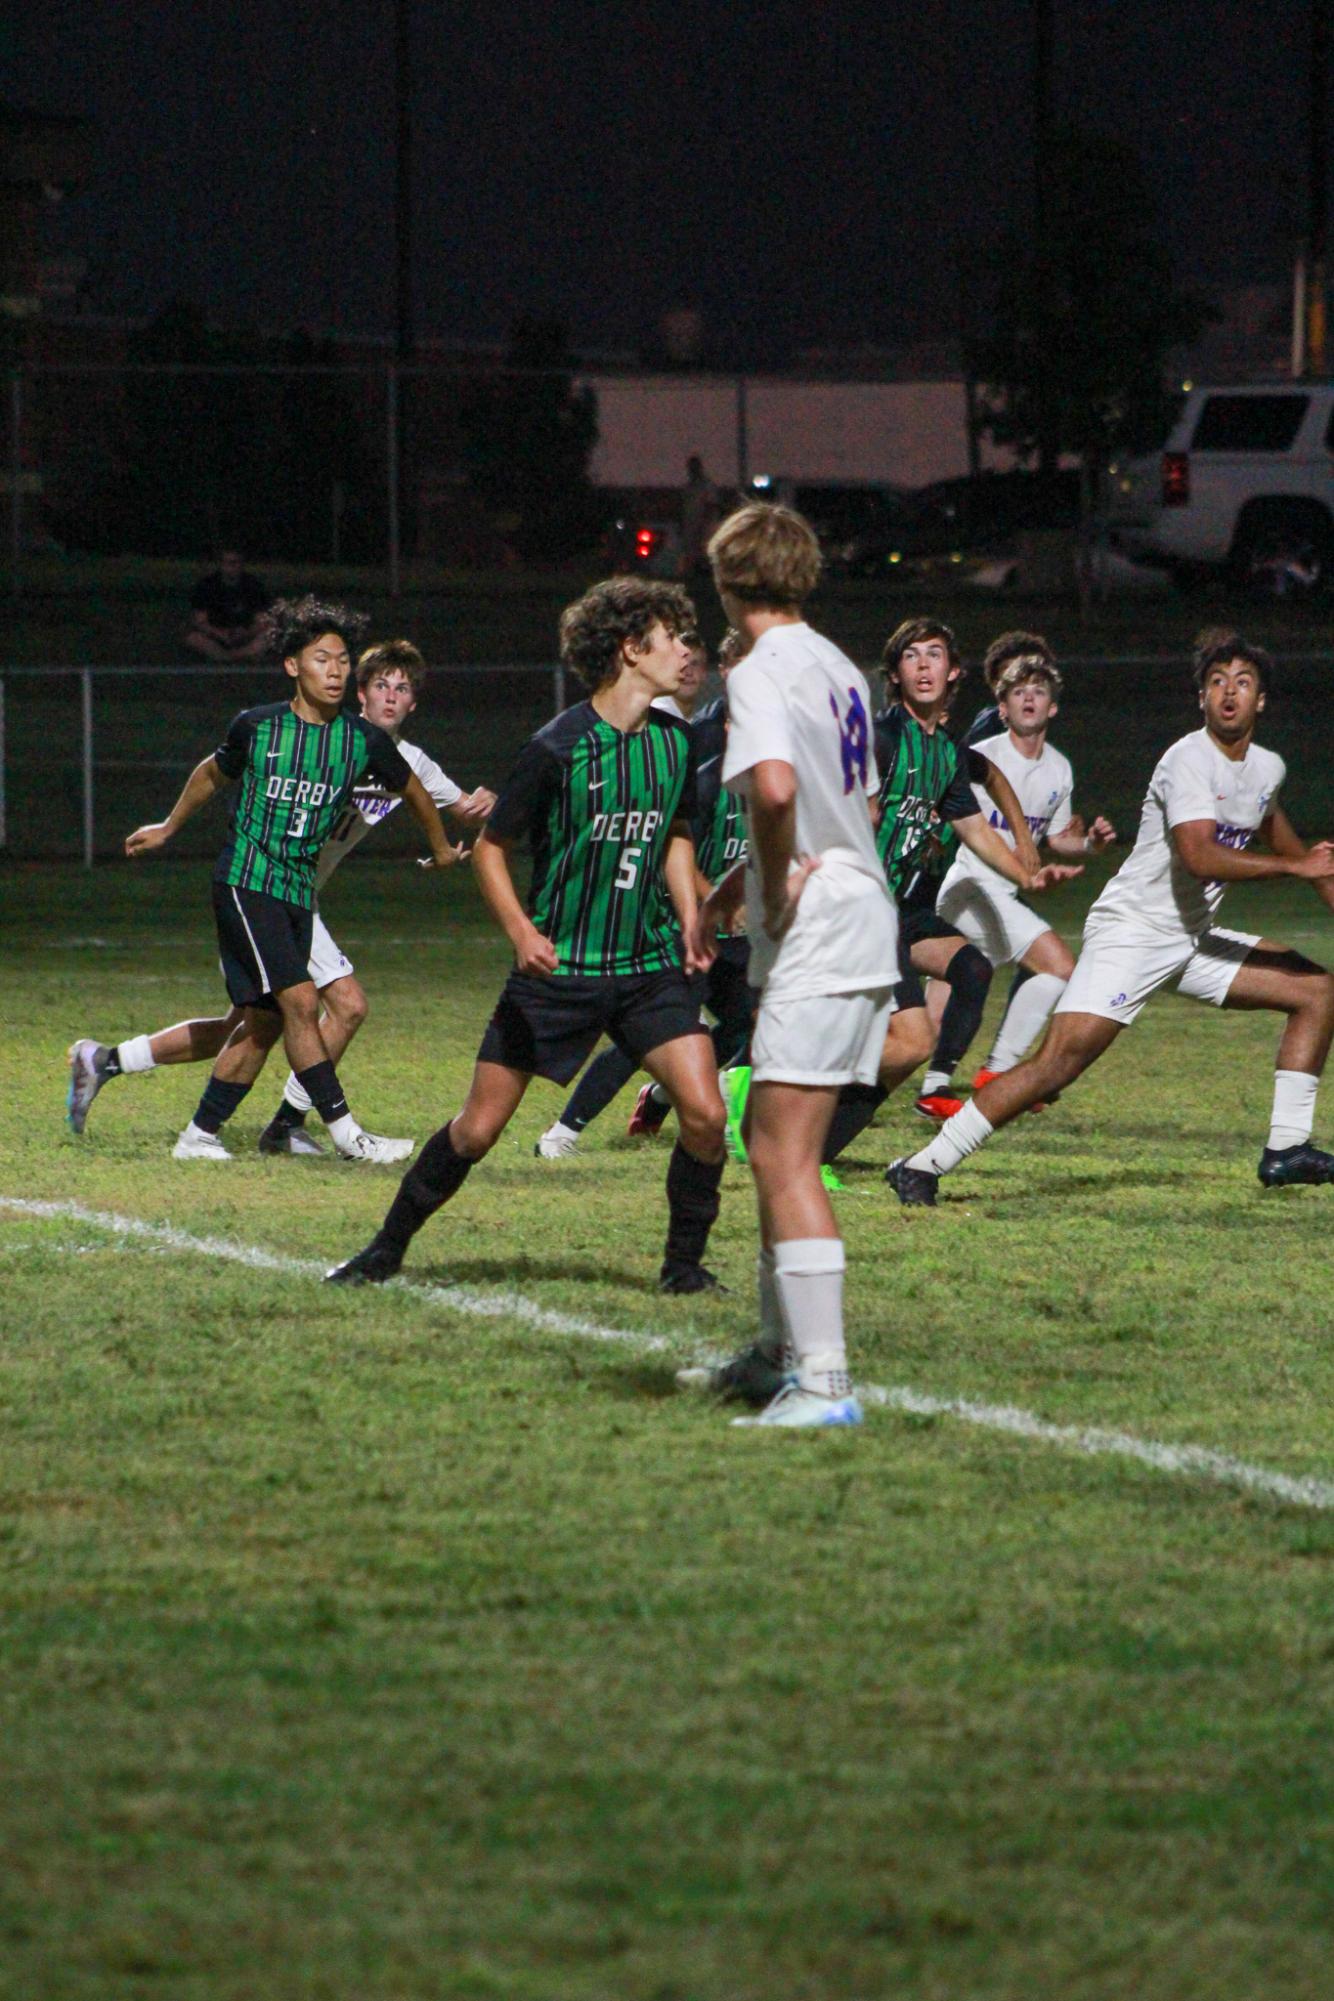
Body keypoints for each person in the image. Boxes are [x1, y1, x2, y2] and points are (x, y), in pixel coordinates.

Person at [324, 576, 729, 1294]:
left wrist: (694, 909)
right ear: (632, 649)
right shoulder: (558, 746)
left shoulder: (674, 744)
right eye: (673, 637)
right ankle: (384, 1250)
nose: (687, 652)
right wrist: (521, 931)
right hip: (558, 972)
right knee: (476, 1132)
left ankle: (683, 1268)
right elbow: (488, 847)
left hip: (647, 968)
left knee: (704, 1112)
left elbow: (674, 834)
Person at [889, 632, 1334, 1206]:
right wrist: (1296, 868)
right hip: (1132, 935)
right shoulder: (1186, 760)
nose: (1229, 693)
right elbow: (1200, 856)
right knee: (1055, 1066)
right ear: (1201, 698)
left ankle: (1287, 1150)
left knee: (1317, 991)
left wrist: (1310, 869)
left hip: (1192, 940)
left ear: (1261, 700)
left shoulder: (1265, 768)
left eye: (1243, 682)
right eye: (1217, 682)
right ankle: (922, 1165)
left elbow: (1304, 855)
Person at [67, 639, 493, 1151]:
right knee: (337, 1006)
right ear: (361, 692)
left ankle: (108, 1062)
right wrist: (170, 826)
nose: (390, 697)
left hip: (299, 897)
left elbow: (461, 807)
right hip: (261, 888)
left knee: (253, 1025)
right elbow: (217, 771)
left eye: (402, 689)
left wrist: (481, 809)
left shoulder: (406, 761)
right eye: (381, 684)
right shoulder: (311, 736)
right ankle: (301, 1127)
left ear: (413, 704)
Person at [678, 499, 898, 1429]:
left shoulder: (762, 669)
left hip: (822, 927)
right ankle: (776, 1355)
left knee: (782, 1153)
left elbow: (774, 789)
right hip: (860, 908)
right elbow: (860, 808)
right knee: (773, 1144)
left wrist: (768, 890)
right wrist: (736, 889)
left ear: (728, 581)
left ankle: (826, 1384)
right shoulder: (841, 666)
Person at [819, 619, 1076, 1168]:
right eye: (911, 657)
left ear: (953, 671)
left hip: (902, 913)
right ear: (895, 674)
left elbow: (975, 828)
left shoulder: (946, 755)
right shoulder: (883, 740)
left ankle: (820, 1143)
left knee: (971, 968)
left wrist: (1028, 875)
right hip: (860, 911)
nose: (924, 665)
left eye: (934, 654)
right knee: (907, 1042)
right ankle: (797, 1123)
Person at [532, 630, 743, 1156]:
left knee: (754, 1024)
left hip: (732, 922)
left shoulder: (777, 748)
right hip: (674, 919)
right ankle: (565, 1129)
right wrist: (704, 901)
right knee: (646, 1031)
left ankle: (672, 1097)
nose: (687, 658)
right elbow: (677, 836)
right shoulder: (697, 743)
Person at [931, 651, 1116, 1093]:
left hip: (1004, 896)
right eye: (1018, 692)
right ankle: (997, 1073)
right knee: (1059, 967)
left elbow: (1055, 838)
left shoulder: (1059, 768)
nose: (1028, 699)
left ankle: (927, 1088)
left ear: (1052, 707)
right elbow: (947, 810)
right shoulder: (981, 757)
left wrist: (1090, 843)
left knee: (927, 1025)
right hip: (970, 886)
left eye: (1038, 692)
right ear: (1002, 708)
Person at [185, 549, 271, 661]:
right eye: (227, 563)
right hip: (216, 636)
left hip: (245, 635)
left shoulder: (253, 585)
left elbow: (261, 620)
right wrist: (219, 633)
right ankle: (234, 656)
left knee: (270, 636)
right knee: (193, 638)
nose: (231, 568)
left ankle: (232, 656)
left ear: (241, 564)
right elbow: (200, 621)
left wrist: (247, 633)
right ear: (220, 565)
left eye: (235, 563)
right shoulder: (206, 586)